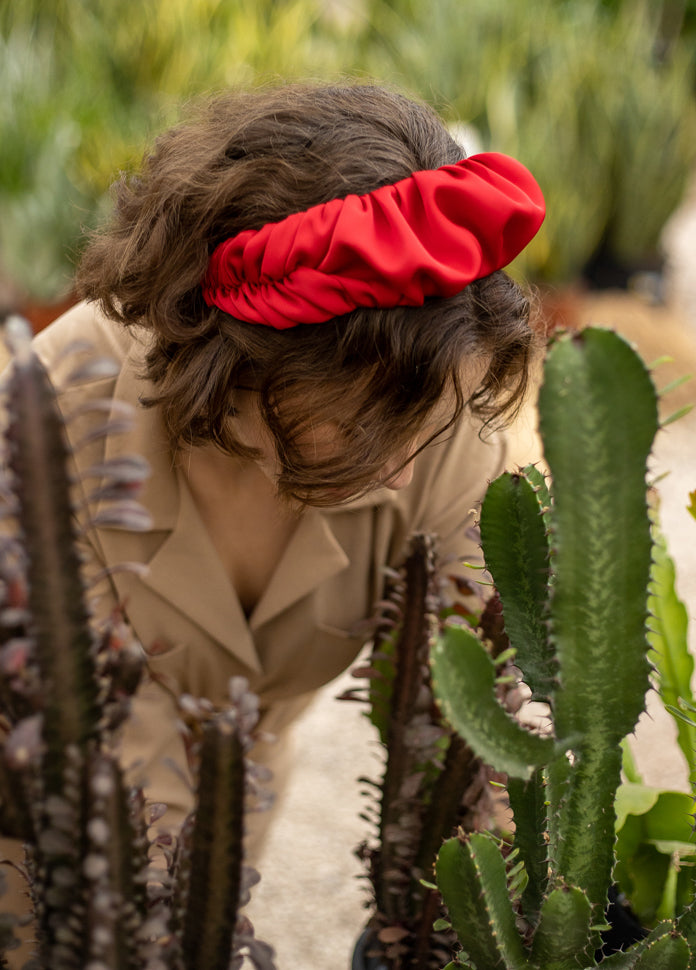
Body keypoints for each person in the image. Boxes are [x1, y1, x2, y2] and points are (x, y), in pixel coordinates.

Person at [23, 82, 545, 859]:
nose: (403, 474)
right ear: (236, 365)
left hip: (244, 783)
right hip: (51, 816)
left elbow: (479, 727)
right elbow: (116, 767)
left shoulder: (435, 422)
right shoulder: (54, 418)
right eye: (359, 429)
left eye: (425, 431)